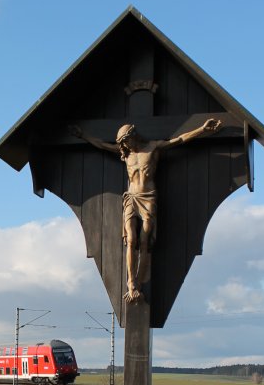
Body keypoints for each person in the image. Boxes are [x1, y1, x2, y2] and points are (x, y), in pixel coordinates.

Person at [70, 118, 222, 301]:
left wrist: (202, 129)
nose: (125, 145)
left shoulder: (153, 147)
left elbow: (180, 140)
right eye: (123, 143)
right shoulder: (126, 154)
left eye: (127, 141)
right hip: (131, 198)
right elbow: (102, 145)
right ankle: (131, 284)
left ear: (133, 136)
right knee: (131, 240)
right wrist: (83, 135)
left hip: (148, 197)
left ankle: (139, 283)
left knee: (144, 240)